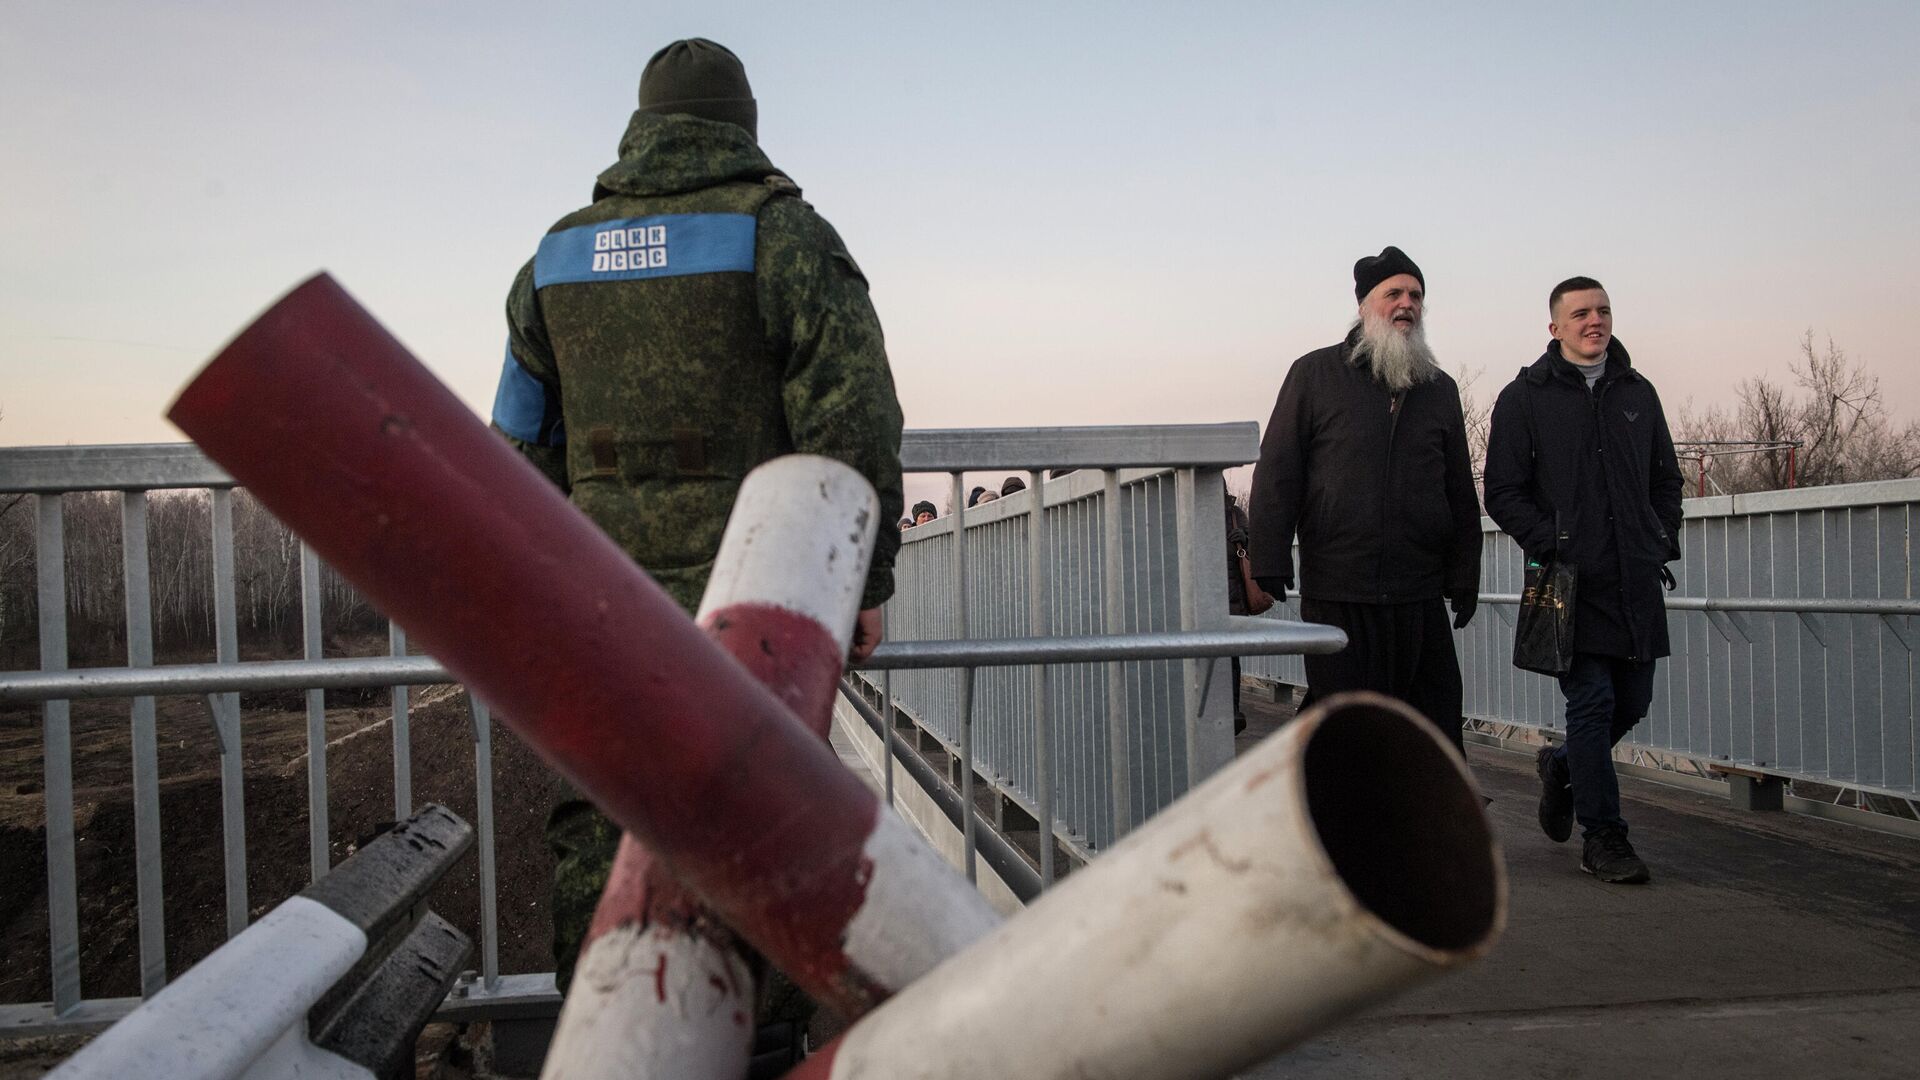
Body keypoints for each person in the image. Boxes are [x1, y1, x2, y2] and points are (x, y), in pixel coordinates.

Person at [487, 37, 906, 991]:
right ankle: (745, 1035)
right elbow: (854, 414)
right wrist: (863, 579)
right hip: (759, 601)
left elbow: (517, 444)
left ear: (640, 129)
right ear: (742, 128)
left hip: (601, 608)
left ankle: (602, 1018)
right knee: (752, 811)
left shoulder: (554, 257)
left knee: (608, 805)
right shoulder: (782, 234)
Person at [1484, 276, 1683, 885]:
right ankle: (1605, 837)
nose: (1593, 321)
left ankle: (1562, 767)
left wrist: (1660, 538)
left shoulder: (1637, 392)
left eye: (1602, 311)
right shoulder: (1525, 397)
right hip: (1570, 584)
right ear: (1555, 327)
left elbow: (1665, 479)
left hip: (1635, 579)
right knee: (1592, 703)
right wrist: (1555, 541)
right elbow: (1502, 492)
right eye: (1580, 314)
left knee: (1634, 701)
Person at [1247, 246, 1482, 751]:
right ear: (1363, 306)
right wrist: (1267, 554)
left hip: (1418, 590)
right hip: (1340, 586)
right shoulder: (1314, 375)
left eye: (1416, 295)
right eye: (1393, 293)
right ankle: (1335, 822)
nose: (1407, 304)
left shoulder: (1438, 388)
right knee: (1347, 725)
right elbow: (1279, 468)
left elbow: (1459, 489)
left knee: (1436, 725)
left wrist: (1465, 571)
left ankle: (1430, 827)